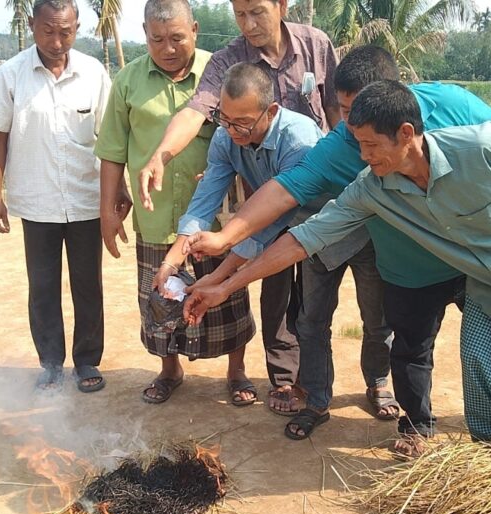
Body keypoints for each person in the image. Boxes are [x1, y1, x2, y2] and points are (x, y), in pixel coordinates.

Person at [186, 80, 491, 456]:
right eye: (358, 145)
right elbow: (305, 237)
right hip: (490, 290)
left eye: (371, 145)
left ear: (406, 133)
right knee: (483, 378)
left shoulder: (482, 148)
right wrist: (227, 285)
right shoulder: (372, 188)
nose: (364, 156)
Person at [95, 0, 256, 405]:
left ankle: (236, 371)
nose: (168, 48)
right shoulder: (128, 81)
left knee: (227, 294)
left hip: (218, 220)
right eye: (157, 39)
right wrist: (107, 210)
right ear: (145, 35)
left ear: (196, 30)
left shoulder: (221, 74)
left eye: (177, 38)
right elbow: (113, 150)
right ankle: (169, 370)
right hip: (156, 217)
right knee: (161, 299)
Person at [147, 62, 321, 407]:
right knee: (277, 306)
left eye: (243, 122)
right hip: (264, 219)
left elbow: (276, 214)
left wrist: (221, 272)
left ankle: (315, 391)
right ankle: (285, 381)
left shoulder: (299, 139)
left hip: (316, 223)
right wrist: (172, 259)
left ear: (271, 111)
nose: (232, 130)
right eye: (225, 119)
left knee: (314, 308)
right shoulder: (226, 137)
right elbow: (206, 198)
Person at [0, 0, 113, 394]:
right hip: (36, 201)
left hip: (87, 199)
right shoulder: (11, 75)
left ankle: (87, 361)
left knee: (89, 284)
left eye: (66, 32)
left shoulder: (94, 72)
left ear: (78, 27)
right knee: (43, 287)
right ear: (32, 25)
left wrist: (116, 190)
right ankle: (51, 363)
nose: (57, 41)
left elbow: (110, 139)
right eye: (48, 31)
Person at [136, 0, 340, 206]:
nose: (249, 25)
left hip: (323, 190)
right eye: (240, 14)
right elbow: (194, 113)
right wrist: (160, 157)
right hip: (263, 201)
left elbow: (336, 111)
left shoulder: (316, 45)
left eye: (257, 12)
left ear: (282, 5)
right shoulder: (225, 62)